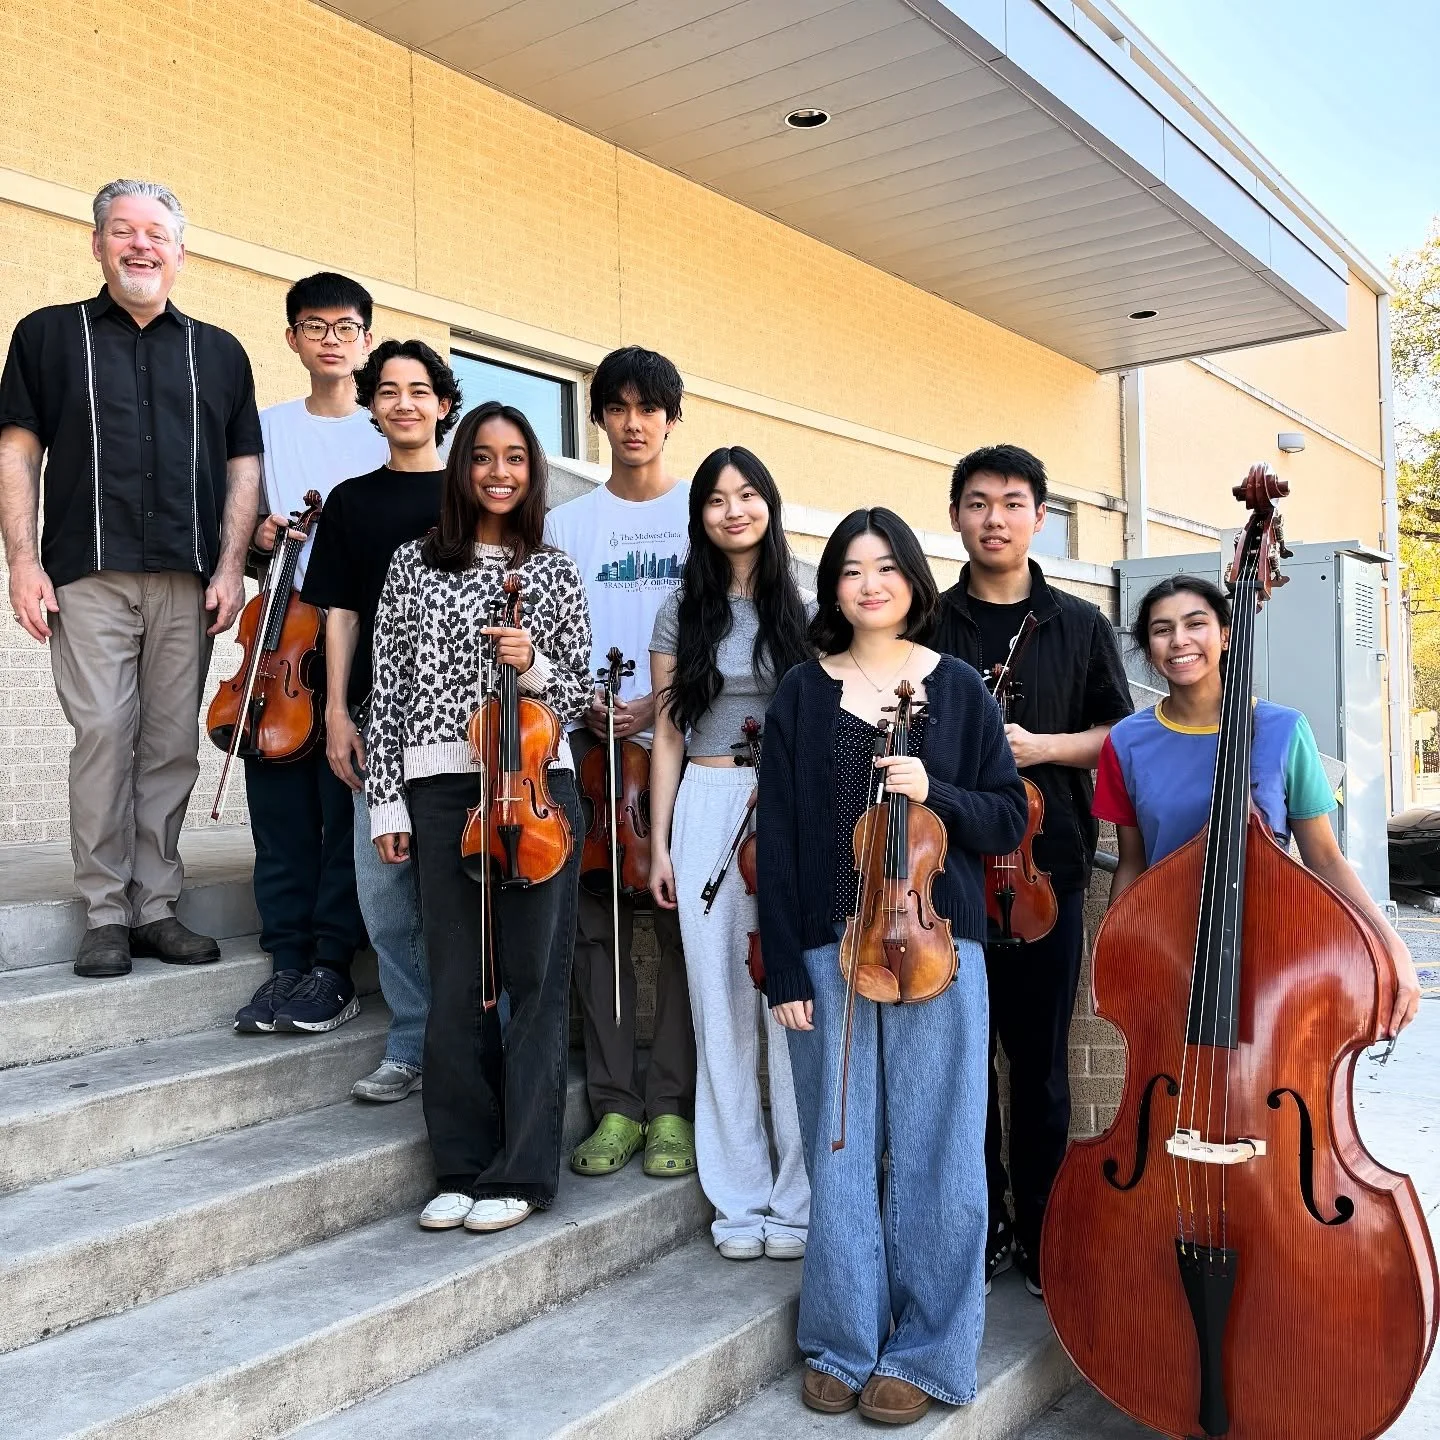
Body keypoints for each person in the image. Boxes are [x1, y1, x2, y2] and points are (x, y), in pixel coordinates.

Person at [759, 508, 1027, 1424]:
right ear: (832, 588)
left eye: (886, 566)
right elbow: (786, 835)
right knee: (836, 1148)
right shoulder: (802, 690)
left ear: (913, 578)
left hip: (939, 953)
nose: (869, 583)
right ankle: (842, 1337)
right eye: (850, 570)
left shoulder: (956, 688)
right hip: (829, 946)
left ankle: (928, 1351)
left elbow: (1005, 819)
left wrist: (933, 789)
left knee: (938, 1153)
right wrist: (786, 969)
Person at [0, 179, 261, 978]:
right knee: (106, 734)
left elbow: (242, 464)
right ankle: (105, 911)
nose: (140, 245)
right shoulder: (48, 335)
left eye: (156, 233)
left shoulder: (219, 350)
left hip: (187, 579)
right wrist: (21, 561)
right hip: (87, 572)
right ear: (97, 245)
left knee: (170, 742)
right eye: (123, 231)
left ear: (181, 252)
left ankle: (156, 907)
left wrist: (229, 567)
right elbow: (17, 450)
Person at [368, 401, 592, 1232]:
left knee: (536, 980)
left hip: (535, 787)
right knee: (457, 978)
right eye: (484, 457)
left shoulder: (555, 568)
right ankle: (459, 1164)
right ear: (462, 468)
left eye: (517, 459)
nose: (500, 472)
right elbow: (388, 686)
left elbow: (579, 697)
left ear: (532, 473)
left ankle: (522, 1172)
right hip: (442, 788)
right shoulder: (412, 564)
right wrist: (386, 797)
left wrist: (532, 668)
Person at [933, 443, 1133, 1299]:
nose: (994, 519)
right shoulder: (928, 625)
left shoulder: (1079, 625)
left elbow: (1121, 737)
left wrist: (1040, 747)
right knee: (962, 1064)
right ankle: (981, 1224)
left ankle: (1046, 1227)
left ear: (1039, 517)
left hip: (1046, 874)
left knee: (1041, 1065)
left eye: (1012, 503)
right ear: (955, 517)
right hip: (942, 874)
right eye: (978, 504)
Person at [1093, 574, 1421, 1034]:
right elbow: (1132, 863)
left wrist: (1393, 947)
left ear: (1226, 635)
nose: (1179, 640)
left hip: (1272, 952)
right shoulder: (1126, 741)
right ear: (1148, 647)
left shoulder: (1284, 730)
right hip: (1169, 951)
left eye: (1195, 624)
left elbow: (1324, 857)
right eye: (1162, 629)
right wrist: (1120, 949)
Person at [648, 446, 813, 1262]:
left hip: (786, 806)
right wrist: (660, 843)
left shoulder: (809, 604)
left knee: (792, 1006)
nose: (733, 510)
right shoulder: (682, 609)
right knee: (720, 1009)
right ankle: (739, 1198)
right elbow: (671, 731)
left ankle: (798, 1198)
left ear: (770, 504)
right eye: (717, 498)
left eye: (748, 494)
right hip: (709, 804)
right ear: (701, 515)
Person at [544, 346, 698, 1182]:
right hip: (589, 754)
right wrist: (585, 699)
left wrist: (661, 704)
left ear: (672, 419)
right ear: (599, 416)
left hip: (681, 749)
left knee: (679, 931)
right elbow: (556, 641)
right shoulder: (567, 526)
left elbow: (720, 637)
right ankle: (613, 1104)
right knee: (594, 932)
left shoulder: (700, 516)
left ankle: (671, 1104)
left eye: (650, 408)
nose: (634, 423)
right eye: (618, 407)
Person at [300, 339, 461, 1100]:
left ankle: (472, 1045)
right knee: (385, 895)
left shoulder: (472, 493)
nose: (404, 402)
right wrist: (335, 710)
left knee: (466, 892)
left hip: (471, 728)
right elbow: (340, 614)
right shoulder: (353, 501)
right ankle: (409, 1043)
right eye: (388, 390)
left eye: (419, 390)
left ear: (444, 404)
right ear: (370, 406)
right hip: (382, 721)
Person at [231, 273, 385, 1036]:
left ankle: (332, 965)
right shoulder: (264, 426)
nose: (331, 338)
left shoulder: (384, 428)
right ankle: (284, 962)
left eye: (346, 326)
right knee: (279, 812)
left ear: (364, 339)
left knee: (339, 802)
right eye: (315, 326)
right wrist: (261, 533)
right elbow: (245, 520)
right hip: (283, 631)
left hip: (355, 639)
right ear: (292, 338)